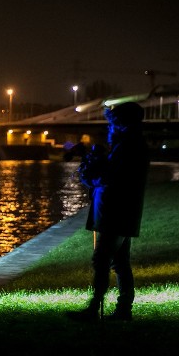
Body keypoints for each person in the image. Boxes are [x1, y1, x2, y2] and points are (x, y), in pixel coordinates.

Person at [66, 101, 150, 322]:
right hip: (121, 213)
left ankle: (94, 309)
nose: (110, 129)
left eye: (112, 124)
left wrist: (90, 171)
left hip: (116, 214)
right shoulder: (131, 145)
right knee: (120, 262)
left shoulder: (127, 148)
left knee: (102, 260)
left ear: (121, 124)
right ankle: (124, 309)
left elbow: (109, 178)